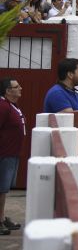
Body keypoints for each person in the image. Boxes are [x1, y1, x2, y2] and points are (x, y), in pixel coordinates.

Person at [0, 78, 25, 235]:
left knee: (4, 189)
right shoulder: (3, 107)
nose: (20, 88)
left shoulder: (11, 106)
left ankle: (1, 217)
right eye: (17, 87)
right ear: (8, 91)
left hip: (12, 153)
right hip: (4, 153)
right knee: (1, 189)